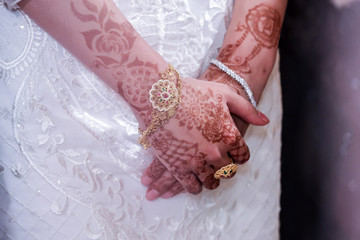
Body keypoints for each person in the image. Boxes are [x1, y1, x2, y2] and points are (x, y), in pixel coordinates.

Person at [0, 0, 286, 239]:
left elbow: (244, 69)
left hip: (231, 59)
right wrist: (161, 95)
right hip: (78, 99)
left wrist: (242, 70)